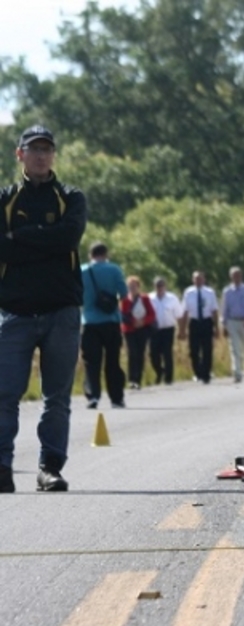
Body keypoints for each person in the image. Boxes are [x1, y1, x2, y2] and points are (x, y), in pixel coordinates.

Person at [0, 125, 86, 493]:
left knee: (57, 398)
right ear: (19, 155)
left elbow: (69, 236)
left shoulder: (71, 197)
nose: (40, 155)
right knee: (5, 394)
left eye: (46, 149)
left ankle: (50, 467)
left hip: (61, 311)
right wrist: (43, 241)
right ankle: (2, 466)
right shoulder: (5, 199)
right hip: (14, 312)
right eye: (33, 149)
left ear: (53, 155)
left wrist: (21, 238)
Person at [81, 241, 128, 409]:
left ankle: (93, 395)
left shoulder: (83, 271)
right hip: (111, 321)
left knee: (91, 361)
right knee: (113, 361)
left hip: (90, 321)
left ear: (90, 255)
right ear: (105, 254)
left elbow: (77, 295)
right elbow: (124, 293)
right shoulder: (114, 269)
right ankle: (116, 398)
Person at [180, 270, 218, 383]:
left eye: (200, 278)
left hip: (206, 322)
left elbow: (214, 310)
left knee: (207, 349)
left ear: (204, 280)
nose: (198, 281)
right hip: (194, 322)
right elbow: (185, 311)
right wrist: (182, 329)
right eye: (196, 279)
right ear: (193, 280)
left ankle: (206, 374)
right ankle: (198, 372)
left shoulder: (210, 292)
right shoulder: (188, 292)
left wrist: (216, 327)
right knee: (194, 350)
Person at [221, 266, 244, 383]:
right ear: (231, 277)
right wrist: (224, 324)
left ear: (241, 276)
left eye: (238, 275)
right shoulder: (227, 291)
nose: (236, 277)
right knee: (235, 349)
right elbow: (224, 309)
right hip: (232, 321)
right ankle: (237, 373)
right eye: (234, 275)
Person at [120, 275, 155, 389]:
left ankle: (138, 379)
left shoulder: (144, 299)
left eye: (134, 286)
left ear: (138, 287)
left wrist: (143, 321)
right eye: (130, 286)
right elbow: (122, 315)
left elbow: (151, 314)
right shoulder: (125, 300)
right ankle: (132, 379)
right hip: (129, 330)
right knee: (132, 353)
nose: (132, 288)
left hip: (142, 330)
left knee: (140, 353)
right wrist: (132, 321)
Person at [149, 276, 183, 384]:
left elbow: (179, 315)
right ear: (154, 286)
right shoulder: (149, 298)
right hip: (154, 330)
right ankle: (160, 372)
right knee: (153, 354)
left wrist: (181, 330)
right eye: (157, 286)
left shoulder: (172, 298)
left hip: (168, 329)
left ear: (165, 286)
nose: (159, 288)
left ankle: (169, 378)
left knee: (167, 353)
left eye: (161, 285)